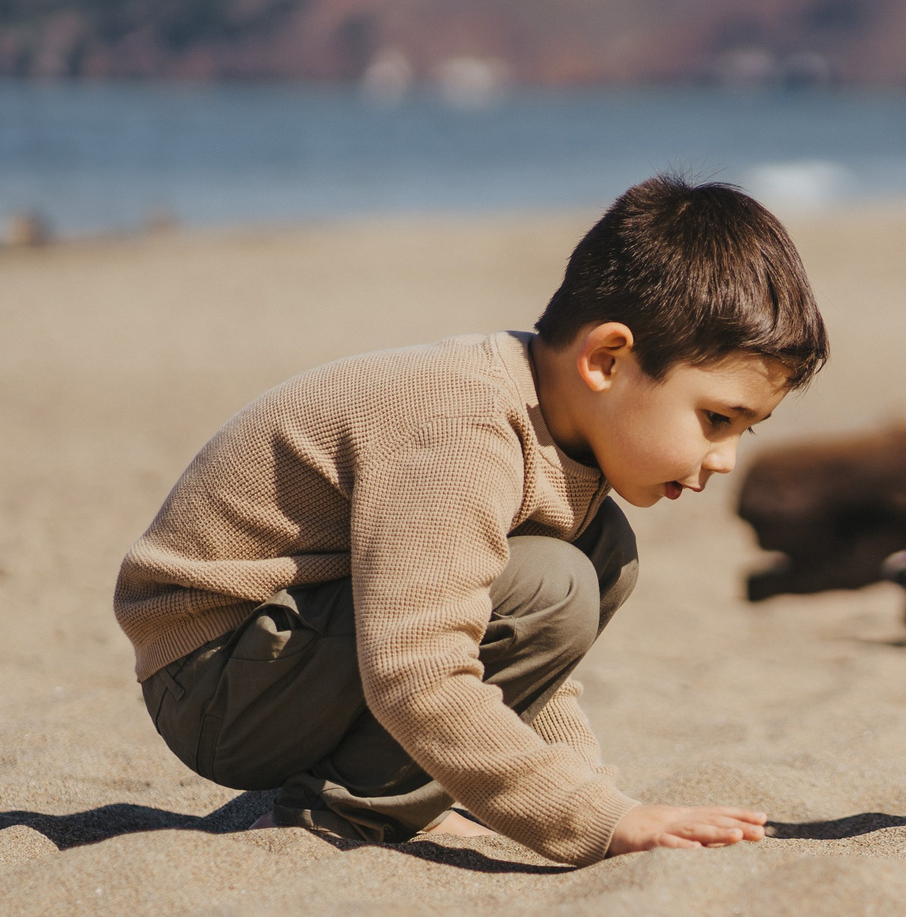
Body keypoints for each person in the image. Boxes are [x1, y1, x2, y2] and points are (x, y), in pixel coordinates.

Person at [115, 175, 830, 863]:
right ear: (607, 359)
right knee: (557, 583)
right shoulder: (468, 427)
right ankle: (351, 810)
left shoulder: (561, 446)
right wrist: (596, 822)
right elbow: (417, 670)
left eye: (747, 430)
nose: (726, 458)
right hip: (211, 673)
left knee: (599, 558)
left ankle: (398, 797)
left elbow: (533, 678)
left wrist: (597, 803)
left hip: (293, 647)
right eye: (715, 418)